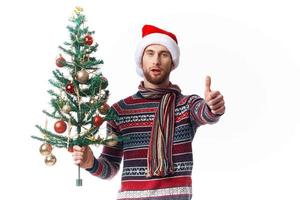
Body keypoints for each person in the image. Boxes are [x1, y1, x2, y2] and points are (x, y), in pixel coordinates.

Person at [72, 24, 225, 200]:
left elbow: (205, 113)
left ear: (172, 62)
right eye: (150, 53)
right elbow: (110, 168)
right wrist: (90, 163)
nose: (156, 61)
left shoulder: (187, 105)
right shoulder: (120, 111)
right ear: (141, 59)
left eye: (164, 54)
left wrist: (214, 107)